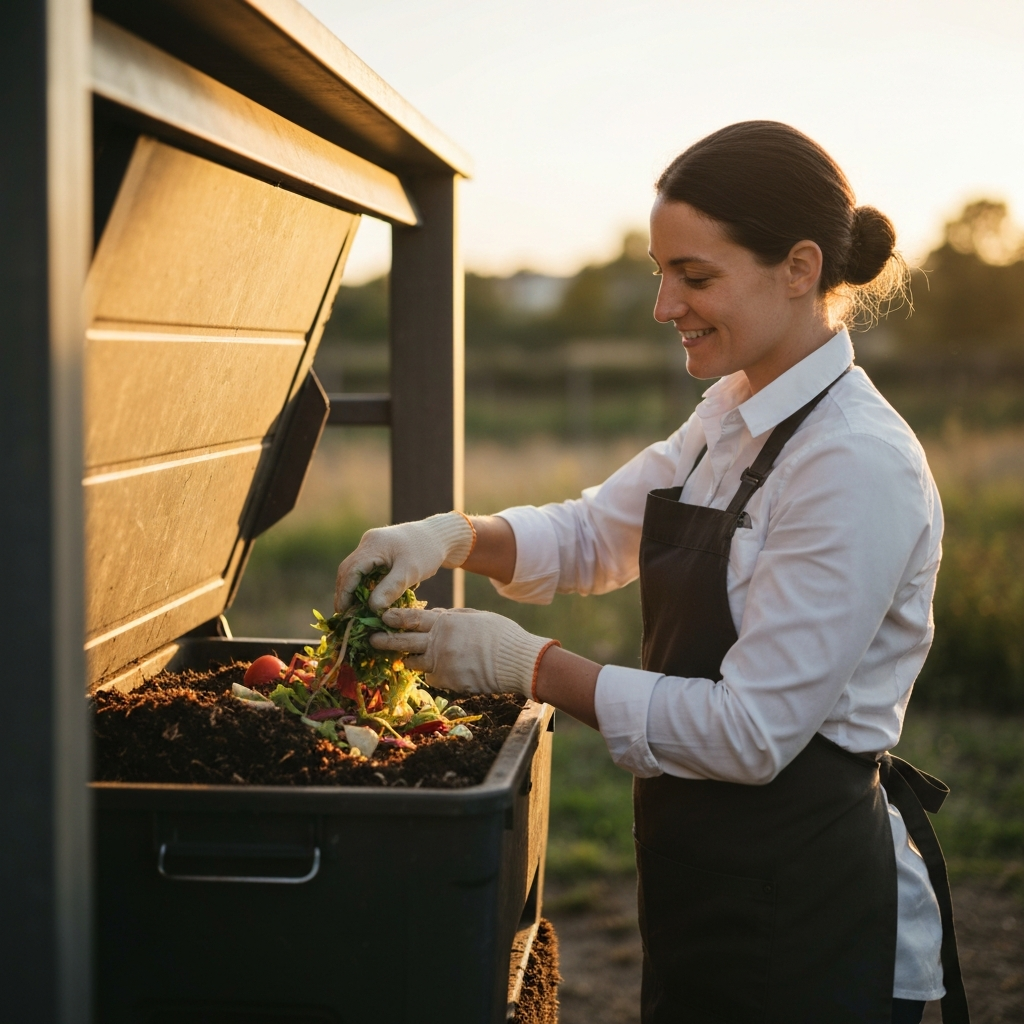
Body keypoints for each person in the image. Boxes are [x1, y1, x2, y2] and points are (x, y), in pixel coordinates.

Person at [335, 121, 969, 1024]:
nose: (664, 305)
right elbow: (598, 532)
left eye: (696, 276)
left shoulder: (854, 464)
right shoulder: (731, 412)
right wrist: (454, 536)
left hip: (810, 919)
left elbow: (751, 732)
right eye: (659, 271)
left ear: (799, 267)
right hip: (702, 885)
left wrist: (529, 668)